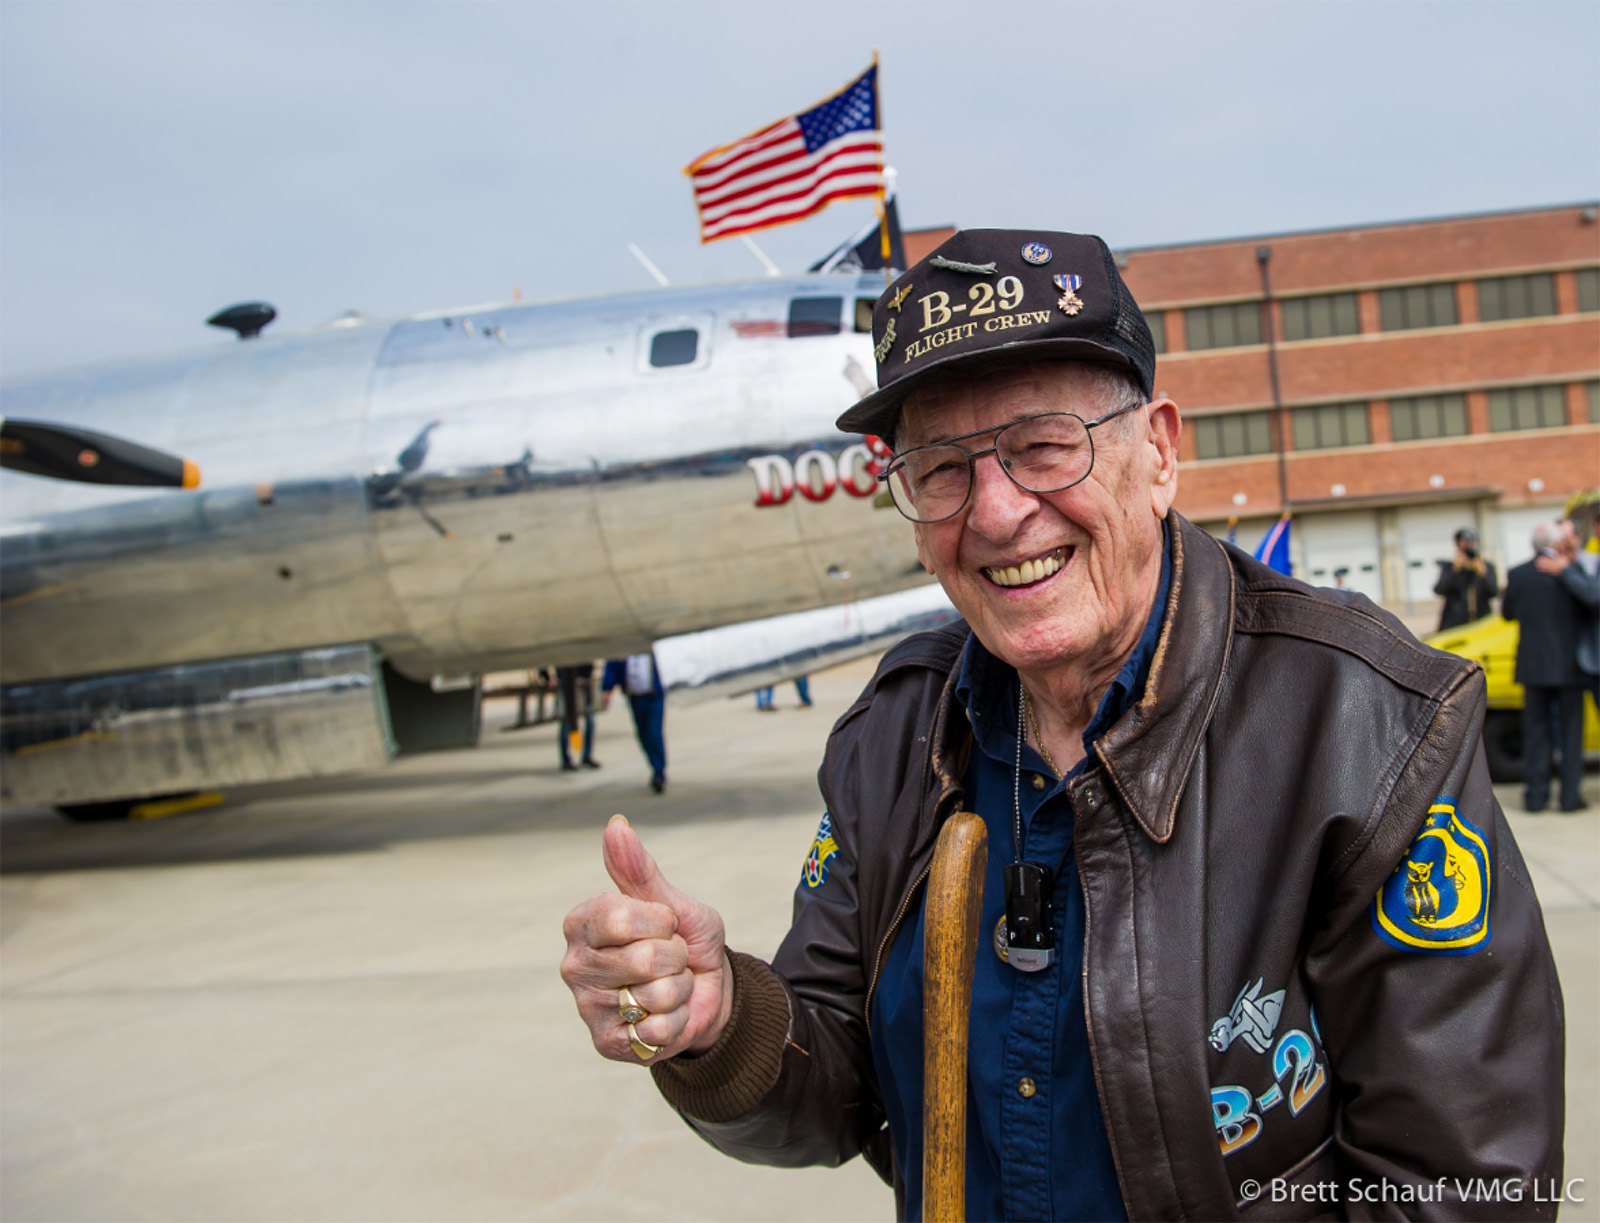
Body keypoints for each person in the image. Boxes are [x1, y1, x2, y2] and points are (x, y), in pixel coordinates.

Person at [561, 230, 1563, 1218]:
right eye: (941, 469)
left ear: (1158, 451)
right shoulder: (893, 733)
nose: (996, 514)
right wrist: (720, 1021)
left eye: (1043, 445)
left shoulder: (1366, 725)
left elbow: (1466, 1188)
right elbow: (837, 1086)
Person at [1502, 521, 1589, 813]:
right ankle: (1569, 797)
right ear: (1556, 542)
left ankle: (1536, 797)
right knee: (1570, 735)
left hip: (1533, 666)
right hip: (1569, 667)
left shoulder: (1518, 574)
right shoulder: (1570, 572)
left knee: (1536, 733)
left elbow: (1507, 613)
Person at [1534, 517, 1600, 724]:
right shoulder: (1547, 566)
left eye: (1567, 536)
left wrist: (1564, 570)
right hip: (1575, 662)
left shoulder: (1589, 562)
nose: (1563, 541)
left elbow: (1593, 594)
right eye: (1559, 537)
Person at [602, 653, 668, 793]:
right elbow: (613, 665)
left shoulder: (652, 651)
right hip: (635, 698)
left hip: (654, 696)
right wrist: (607, 688)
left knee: (654, 733)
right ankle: (655, 765)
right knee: (643, 735)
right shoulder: (624, 650)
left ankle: (659, 772)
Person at [1433, 526, 1498, 630]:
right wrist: (1454, 571)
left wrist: (1483, 574)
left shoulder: (1486, 567)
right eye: (1462, 544)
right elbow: (1439, 590)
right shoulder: (1450, 568)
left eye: (1470, 543)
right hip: (1454, 623)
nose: (1467, 547)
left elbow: (1494, 592)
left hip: (1481, 622)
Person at [555, 663, 599, 772]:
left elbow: (589, 661)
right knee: (567, 724)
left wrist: (585, 675)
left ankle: (586, 755)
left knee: (590, 721)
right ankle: (566, 759)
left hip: (583, 685)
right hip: (566, 687)